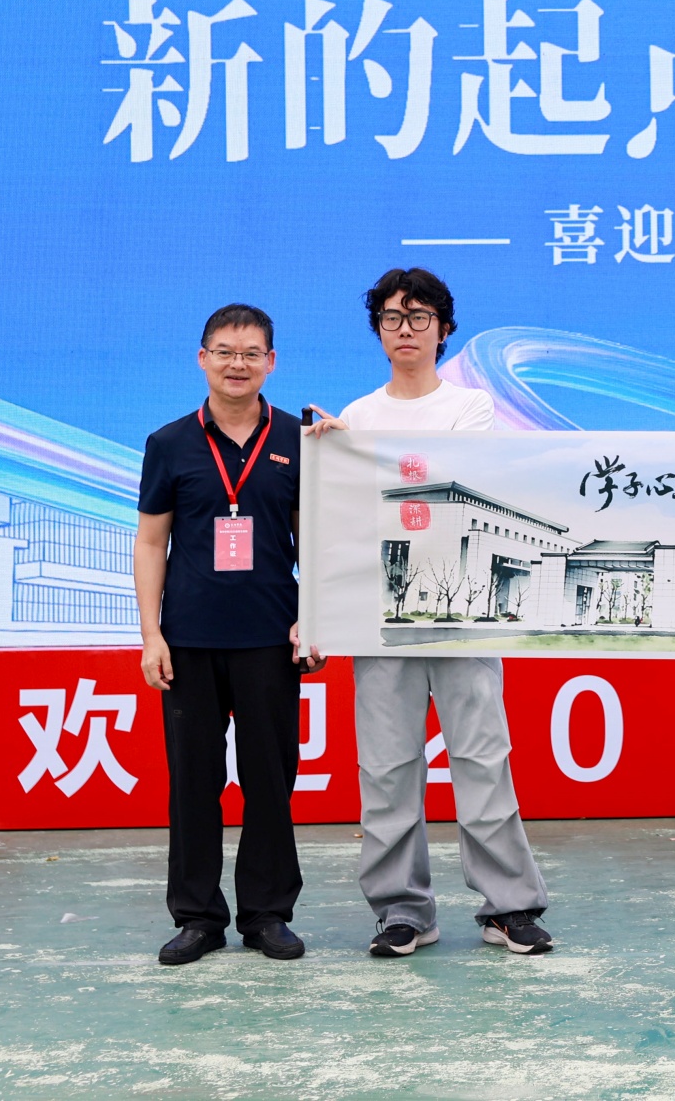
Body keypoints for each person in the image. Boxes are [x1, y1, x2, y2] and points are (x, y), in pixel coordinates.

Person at [307, 267, 554, 957]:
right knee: (386, 768)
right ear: (378, 331)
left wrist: (360, 461)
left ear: (444, 331)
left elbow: (454, 477)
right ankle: (401, 910)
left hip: (462, 608)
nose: (406, 329)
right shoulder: (355, 416)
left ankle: (510, 906)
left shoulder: (469, 407)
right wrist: (337, 457)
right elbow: (344, 515)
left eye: (419, 318)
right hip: (377, 611)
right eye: (392, 318)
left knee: (481, 758)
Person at [135, 304, 319, 966]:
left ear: (271, 362)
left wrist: (315, 615)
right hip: (188, 638)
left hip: (270, 635)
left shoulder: (300, 439)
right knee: (194, 781)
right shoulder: (169, 443)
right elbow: (151, 542)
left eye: (251, 353)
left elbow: (314, 539)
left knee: (270, 779)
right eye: (224, 351)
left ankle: (267, 914)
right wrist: (151, 634)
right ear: (202, 359)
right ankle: (197, 917)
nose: (237, 364)